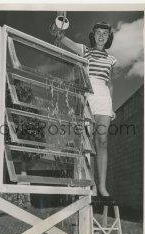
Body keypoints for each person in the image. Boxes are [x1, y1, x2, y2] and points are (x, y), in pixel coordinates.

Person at [52, 21, 117, 199]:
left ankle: (103, 187)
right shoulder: (85, 51)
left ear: (109, 36)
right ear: (93, 35)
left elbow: (110, 84)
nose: (101, 36)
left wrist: (111, 106)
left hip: (104, 99)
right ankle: (93, 185)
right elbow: (62, 39)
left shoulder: (111, 60)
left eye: (105, 33)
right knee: (89, 146)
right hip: (88, 96)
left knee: (102, 142)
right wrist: (58, 28)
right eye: (98, 32)